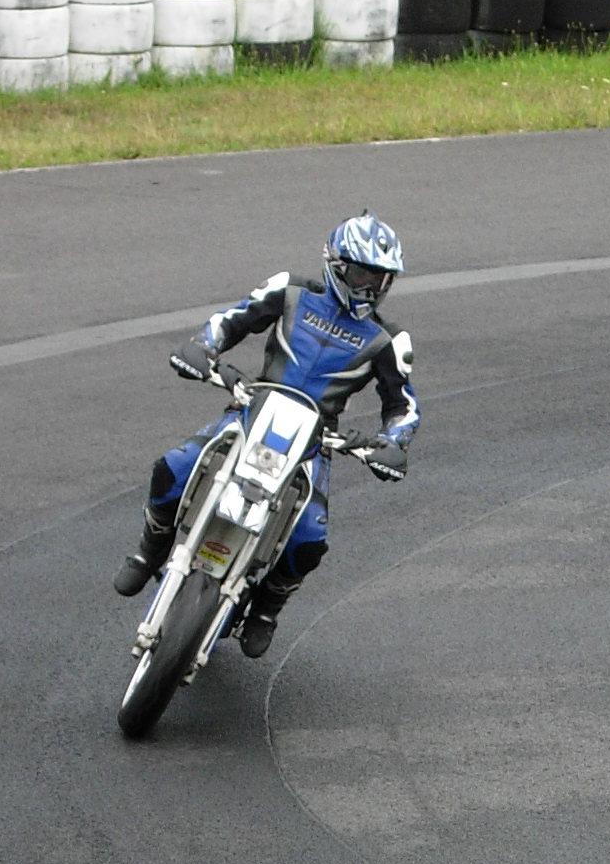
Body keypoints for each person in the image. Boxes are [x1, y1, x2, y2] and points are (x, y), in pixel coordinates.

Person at [112, 212, 420, 658]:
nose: (370, 288)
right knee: (172, 469)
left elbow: (403, 406)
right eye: (362, 275)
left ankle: (267, 607)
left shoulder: (389, 340)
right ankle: (151, 549)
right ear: (336, 266)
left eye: (381, 279)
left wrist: (393, 443)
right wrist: (203, 348)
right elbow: (230, 320)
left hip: (315, 442)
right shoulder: (290, 290)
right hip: (250, 411)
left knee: (310, 537)